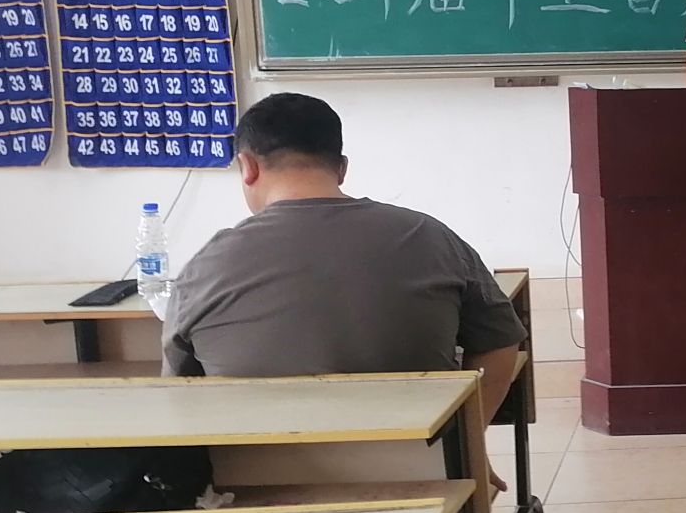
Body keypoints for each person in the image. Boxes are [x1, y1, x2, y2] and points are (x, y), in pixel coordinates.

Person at [163, 93, 525, 440]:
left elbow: (176, 397)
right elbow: (502, 341)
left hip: (247, 477)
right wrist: (467, 442)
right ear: (342, 168)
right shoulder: (430, 237)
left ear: (247, 167)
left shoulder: (205, 268)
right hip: (421, 471)